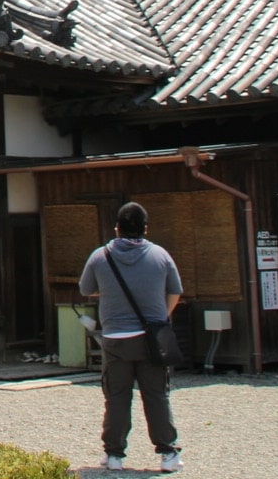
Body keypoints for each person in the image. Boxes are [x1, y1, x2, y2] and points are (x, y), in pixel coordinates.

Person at [79, 202, 184, 474]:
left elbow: (86, 289)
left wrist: (110, 293)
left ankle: (114, 455)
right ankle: (167, 453)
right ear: (146, 228)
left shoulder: (100, 257)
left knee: (116, 396)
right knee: (157, 395)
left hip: (115, 338)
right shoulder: (160, 255)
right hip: (152, 337)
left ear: (117, 228)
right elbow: (175, 291)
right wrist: (162, 317)